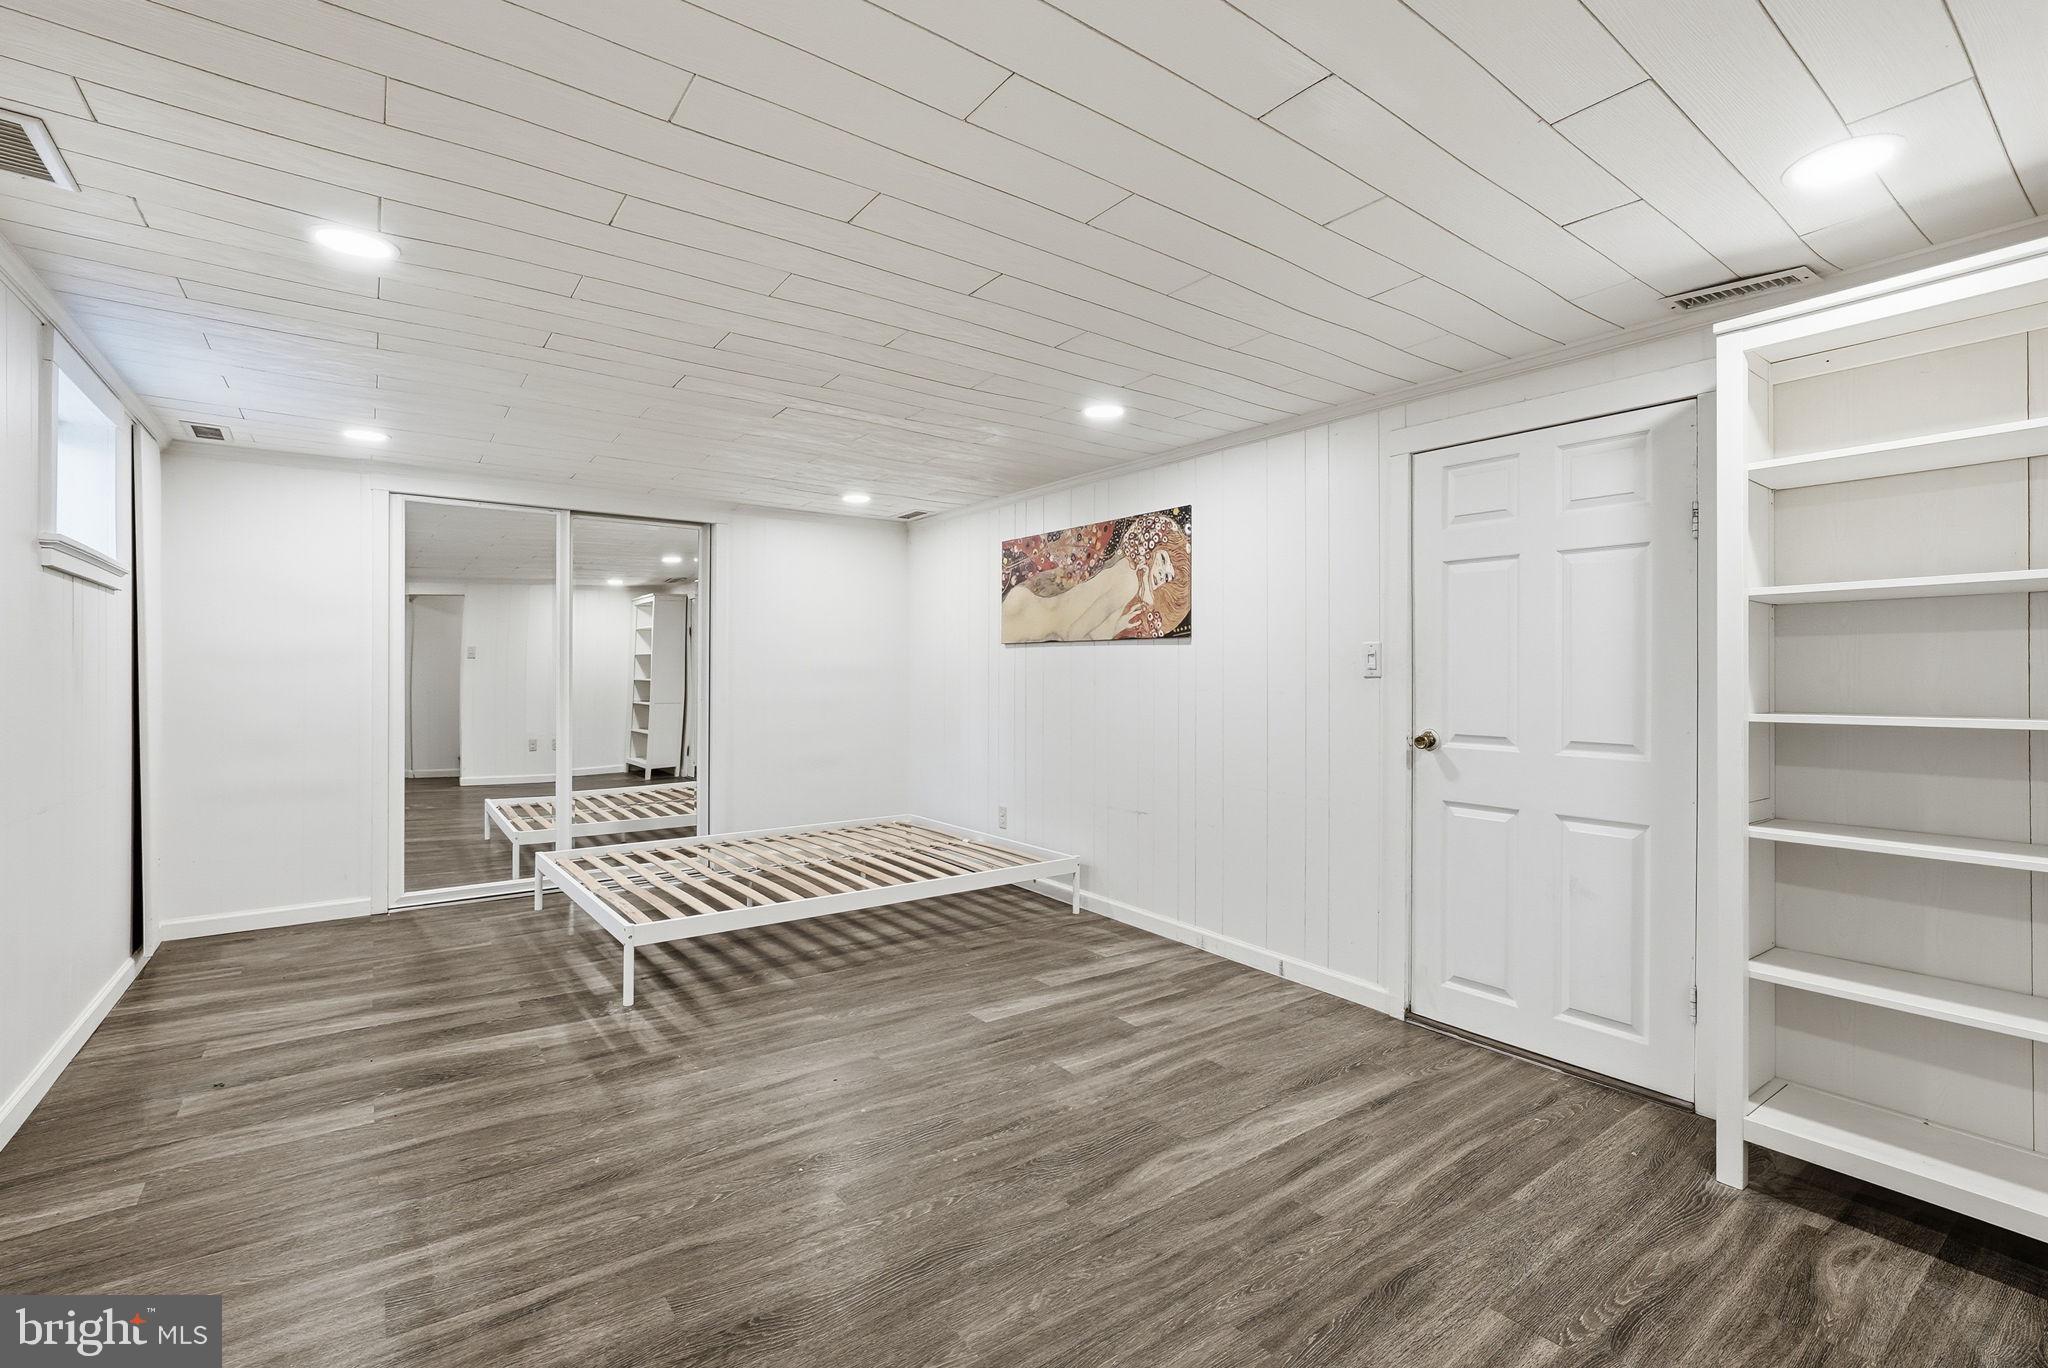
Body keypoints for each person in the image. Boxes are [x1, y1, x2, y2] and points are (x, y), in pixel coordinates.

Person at [1001, 512, 1191, 642]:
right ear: (1155, 544)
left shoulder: (1126, 568)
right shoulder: (1129, 582)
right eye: (1164, 560)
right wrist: (1117, 628)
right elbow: (1074, 632)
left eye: (1167, 576)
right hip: (1031, 622)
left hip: (1029, 608)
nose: (1161, 573)